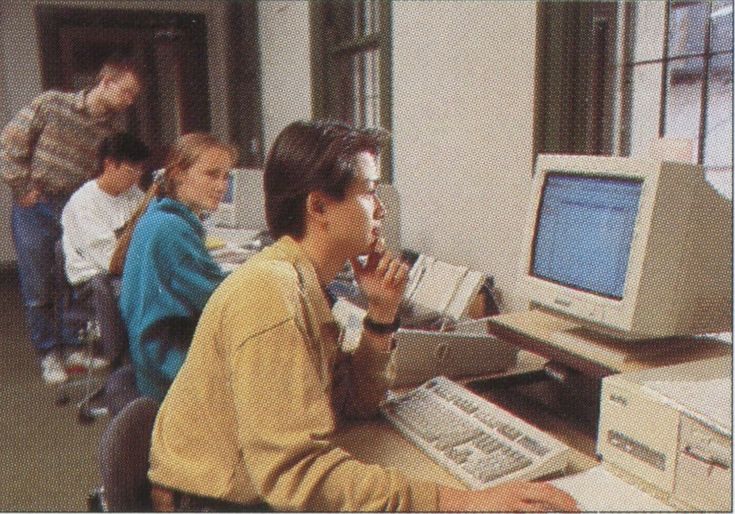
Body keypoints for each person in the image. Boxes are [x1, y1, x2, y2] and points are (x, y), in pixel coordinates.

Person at [147, 120, 579, 512]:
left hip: (244, 487)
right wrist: (458, 500)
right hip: (212, 503)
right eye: (369, 191)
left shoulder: (302, 283)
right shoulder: (269, 296)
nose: (381, 209)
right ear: (318, 208)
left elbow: (354, 404)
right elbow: (298, 478)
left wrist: (381, 314)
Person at [0, 56, 142, 384]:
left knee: (71, 278)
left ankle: (72, 343)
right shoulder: (52, 104)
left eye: (134, 96)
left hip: (74, 209)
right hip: (37, 207)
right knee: (39, 286)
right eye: (126, 92)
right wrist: (21, 186)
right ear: (105, 82)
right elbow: (9, 143)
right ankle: (49, 353)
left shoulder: (112, 131)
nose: (129, 101)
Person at [113, 133, 237, 403]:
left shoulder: (162, 216)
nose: (221, 186)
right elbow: (219, 299)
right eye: (212, 175)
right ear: (179, 174)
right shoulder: (170, 229)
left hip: (156, 352)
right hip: (166, 364)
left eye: (225, 177)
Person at [60, 132, 150, 372]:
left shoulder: (133, 194)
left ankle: (149, 365)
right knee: (147, 298)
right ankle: (126, 370)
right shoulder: (84, 203)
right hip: (94, 282)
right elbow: (112, 261)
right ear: (110, 164)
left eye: (141, 170)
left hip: (126, 271)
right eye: (133, 170)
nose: (137, 177)